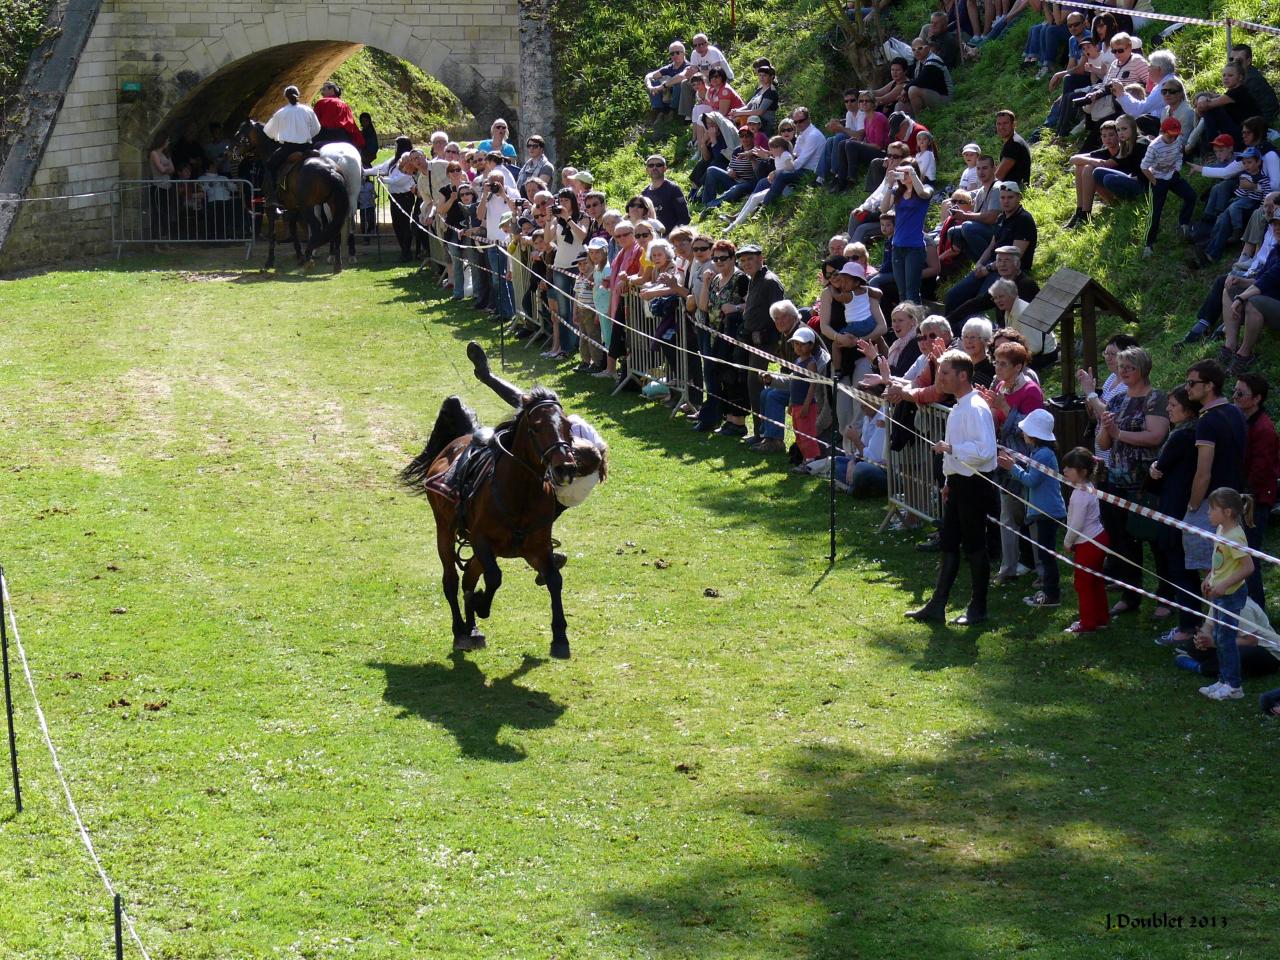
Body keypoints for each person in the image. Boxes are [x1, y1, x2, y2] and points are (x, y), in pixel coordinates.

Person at [904, 350, 997, 627]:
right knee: (949, 543)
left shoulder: (976, 408)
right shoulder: (958, 406)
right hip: (958, 484)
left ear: (962, 375)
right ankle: (938, 604)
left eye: (945, 373)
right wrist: (948, 481)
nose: (939, 378)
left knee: (975, 546)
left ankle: (978, 608)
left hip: (975, 485)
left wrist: (951, 449)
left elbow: (985, 451)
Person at [1176, 359, 1248, 634]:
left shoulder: (1208, 421)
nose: (1188, 388)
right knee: (1234, 568)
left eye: (1192, 383)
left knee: (1215, 573)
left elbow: (1203, 472)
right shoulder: (1235, 412)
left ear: (1209, 386)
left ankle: (1217, 631)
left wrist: (1194, 505)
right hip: (1235, 499)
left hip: (1214, 503)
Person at [1096, 346, 1169, 617]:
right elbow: (1103, 442)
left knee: (1156, 541)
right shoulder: (1116, 400)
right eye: (1121, 367)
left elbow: (1155, 437)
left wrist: (1119, 432)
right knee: (1122, 540)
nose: (1123, 371)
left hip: (1146, 481)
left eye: (1129, 367)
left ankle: (1166, 597)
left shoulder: (1156, 398)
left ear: (1143, 369)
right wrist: (1107, 428)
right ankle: (1130, 595)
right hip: (1116, 479)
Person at [1148, 386, 1203, 640]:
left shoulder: (1182, 436)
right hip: (1184, 503)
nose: (1168, 409)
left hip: (1175, 504)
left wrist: (1154, 468)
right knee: (1185, 567)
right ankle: (1192, 621)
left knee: (1179, 568)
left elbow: (1161, 468)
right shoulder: (1195, 431)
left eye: (1173, 405)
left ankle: (1187, 626)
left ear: (1187, 408)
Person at [998, 408, 1067, 609]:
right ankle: (1047, 592)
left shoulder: (1043, 454)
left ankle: (1052, 595)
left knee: (1047, 556)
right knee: (1045, 554)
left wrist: (1012, 467)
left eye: (1026, 431)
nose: (1023, 433)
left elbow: (1031, 481)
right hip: (1042, 512)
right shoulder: (1039, 452)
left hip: (1047, 513)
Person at [1195, 487, 1256, 701]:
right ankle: (1223, 680)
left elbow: (1247, 568)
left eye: (1212, 509)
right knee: (1220, 638)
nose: (1208, 513)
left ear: (1227, 512)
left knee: (1226, 639)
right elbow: (1220, 563)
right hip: (1221, 593)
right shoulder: (1221, 530)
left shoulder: (1235, 536)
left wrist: (1224, 585)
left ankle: (1234, 686)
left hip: (1231, 595)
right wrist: (1209, 578)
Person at [1233, 373, 1277, 606]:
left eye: (1241, 393)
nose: (1235, 396)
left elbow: (1260, 471)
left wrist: (1242, 498)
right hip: (1244, 496)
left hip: (1254, 501)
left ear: (1257, 398)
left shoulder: (1263, 429)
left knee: (1248, 557)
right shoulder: (1244, 419)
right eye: (1235, 391)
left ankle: (1257, 612)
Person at [1219, 212, 1280, 374]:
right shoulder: (1276, 250)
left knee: (1254, 302)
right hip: (1271, 299)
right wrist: (1239, 282)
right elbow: (1260, 280)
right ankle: (1229, 346)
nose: (1277, 228)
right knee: (1230, 288)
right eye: (1275, 224)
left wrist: (1241, 298)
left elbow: (1266, 281)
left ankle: (1244, 354)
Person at [1061, 447, 1110, 634]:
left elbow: (1076, 524)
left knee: (1083, 583)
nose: (1064, 471)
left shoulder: (1080, 495)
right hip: (1098, 538)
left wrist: (1067, 541)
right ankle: (1100, 618)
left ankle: (1087, 623)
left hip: (1089, 543)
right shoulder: (1087, 488)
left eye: (1069, 468)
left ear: (1082, 472)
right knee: (1096, 580)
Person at [1139, 117, 1196, 258]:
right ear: (1162, 132)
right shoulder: (1154, 147)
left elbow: (1179, 156)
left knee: (1191, 196)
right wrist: (1154, 181)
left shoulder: (1177, 141)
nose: (1173, 139)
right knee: (1155, 213)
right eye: (1170, 136)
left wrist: (1177, 170)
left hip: (1173, 176)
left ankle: (1184, 224)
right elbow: (1144, 167)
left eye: (1175, 136)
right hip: (1158, 179)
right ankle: (1148, 244)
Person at [261, 85, 321, 208]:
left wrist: (278, 136)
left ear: (286, 97)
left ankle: (272, 197)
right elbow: (316, 129)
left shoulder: (281, 113)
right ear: (298, 95)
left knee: (270, 165)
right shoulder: (308, 110)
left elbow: (268, 131)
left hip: (288, 149)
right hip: (306, 148)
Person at [1230, 43, 1279, 126]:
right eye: (1231, 59)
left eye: (1239, 61)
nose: (1234, 63)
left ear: (1248, 61)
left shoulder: (1251, 79)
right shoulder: (1243, 75)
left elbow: (1233, 103)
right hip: (1252, 117)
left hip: (1259, 123)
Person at [641, 154, 690, 236]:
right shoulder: (644, 193)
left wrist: (672, 236)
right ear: (646, 170)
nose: (654, 168)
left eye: (658, 165)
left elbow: (684, 218)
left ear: (665, 169)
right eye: (651, 165)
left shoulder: (674, 189)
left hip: (673, 238)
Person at [645, 41, 690, 121]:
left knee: (679, 84)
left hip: (680, 98)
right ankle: (659, 111)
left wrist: (662, 86)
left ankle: (672, 112)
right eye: (672, 54)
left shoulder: (688, 66)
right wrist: (650, 87)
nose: (675, 56)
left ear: (684, 53)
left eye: (677, 52)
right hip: (667, 94)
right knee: (653, 82)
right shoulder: (669, 67)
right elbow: (649, 76)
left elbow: (681, 76)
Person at [312, 81, 365, 149]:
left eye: (324, 89)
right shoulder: (344, 105)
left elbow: (314, 122)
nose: (321, 92)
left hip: (324, 135)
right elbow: (350, 124)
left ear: (332, 90)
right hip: (342, 137)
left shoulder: (321, 103)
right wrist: (359, 140)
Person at [993, 110, 1032, 188]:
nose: (1001, 127)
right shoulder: (1013, 141)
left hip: (1014, 192)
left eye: (1005, 123)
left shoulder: (1014, 144)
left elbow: (998, 176)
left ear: (1014, 124)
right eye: (999, 124)